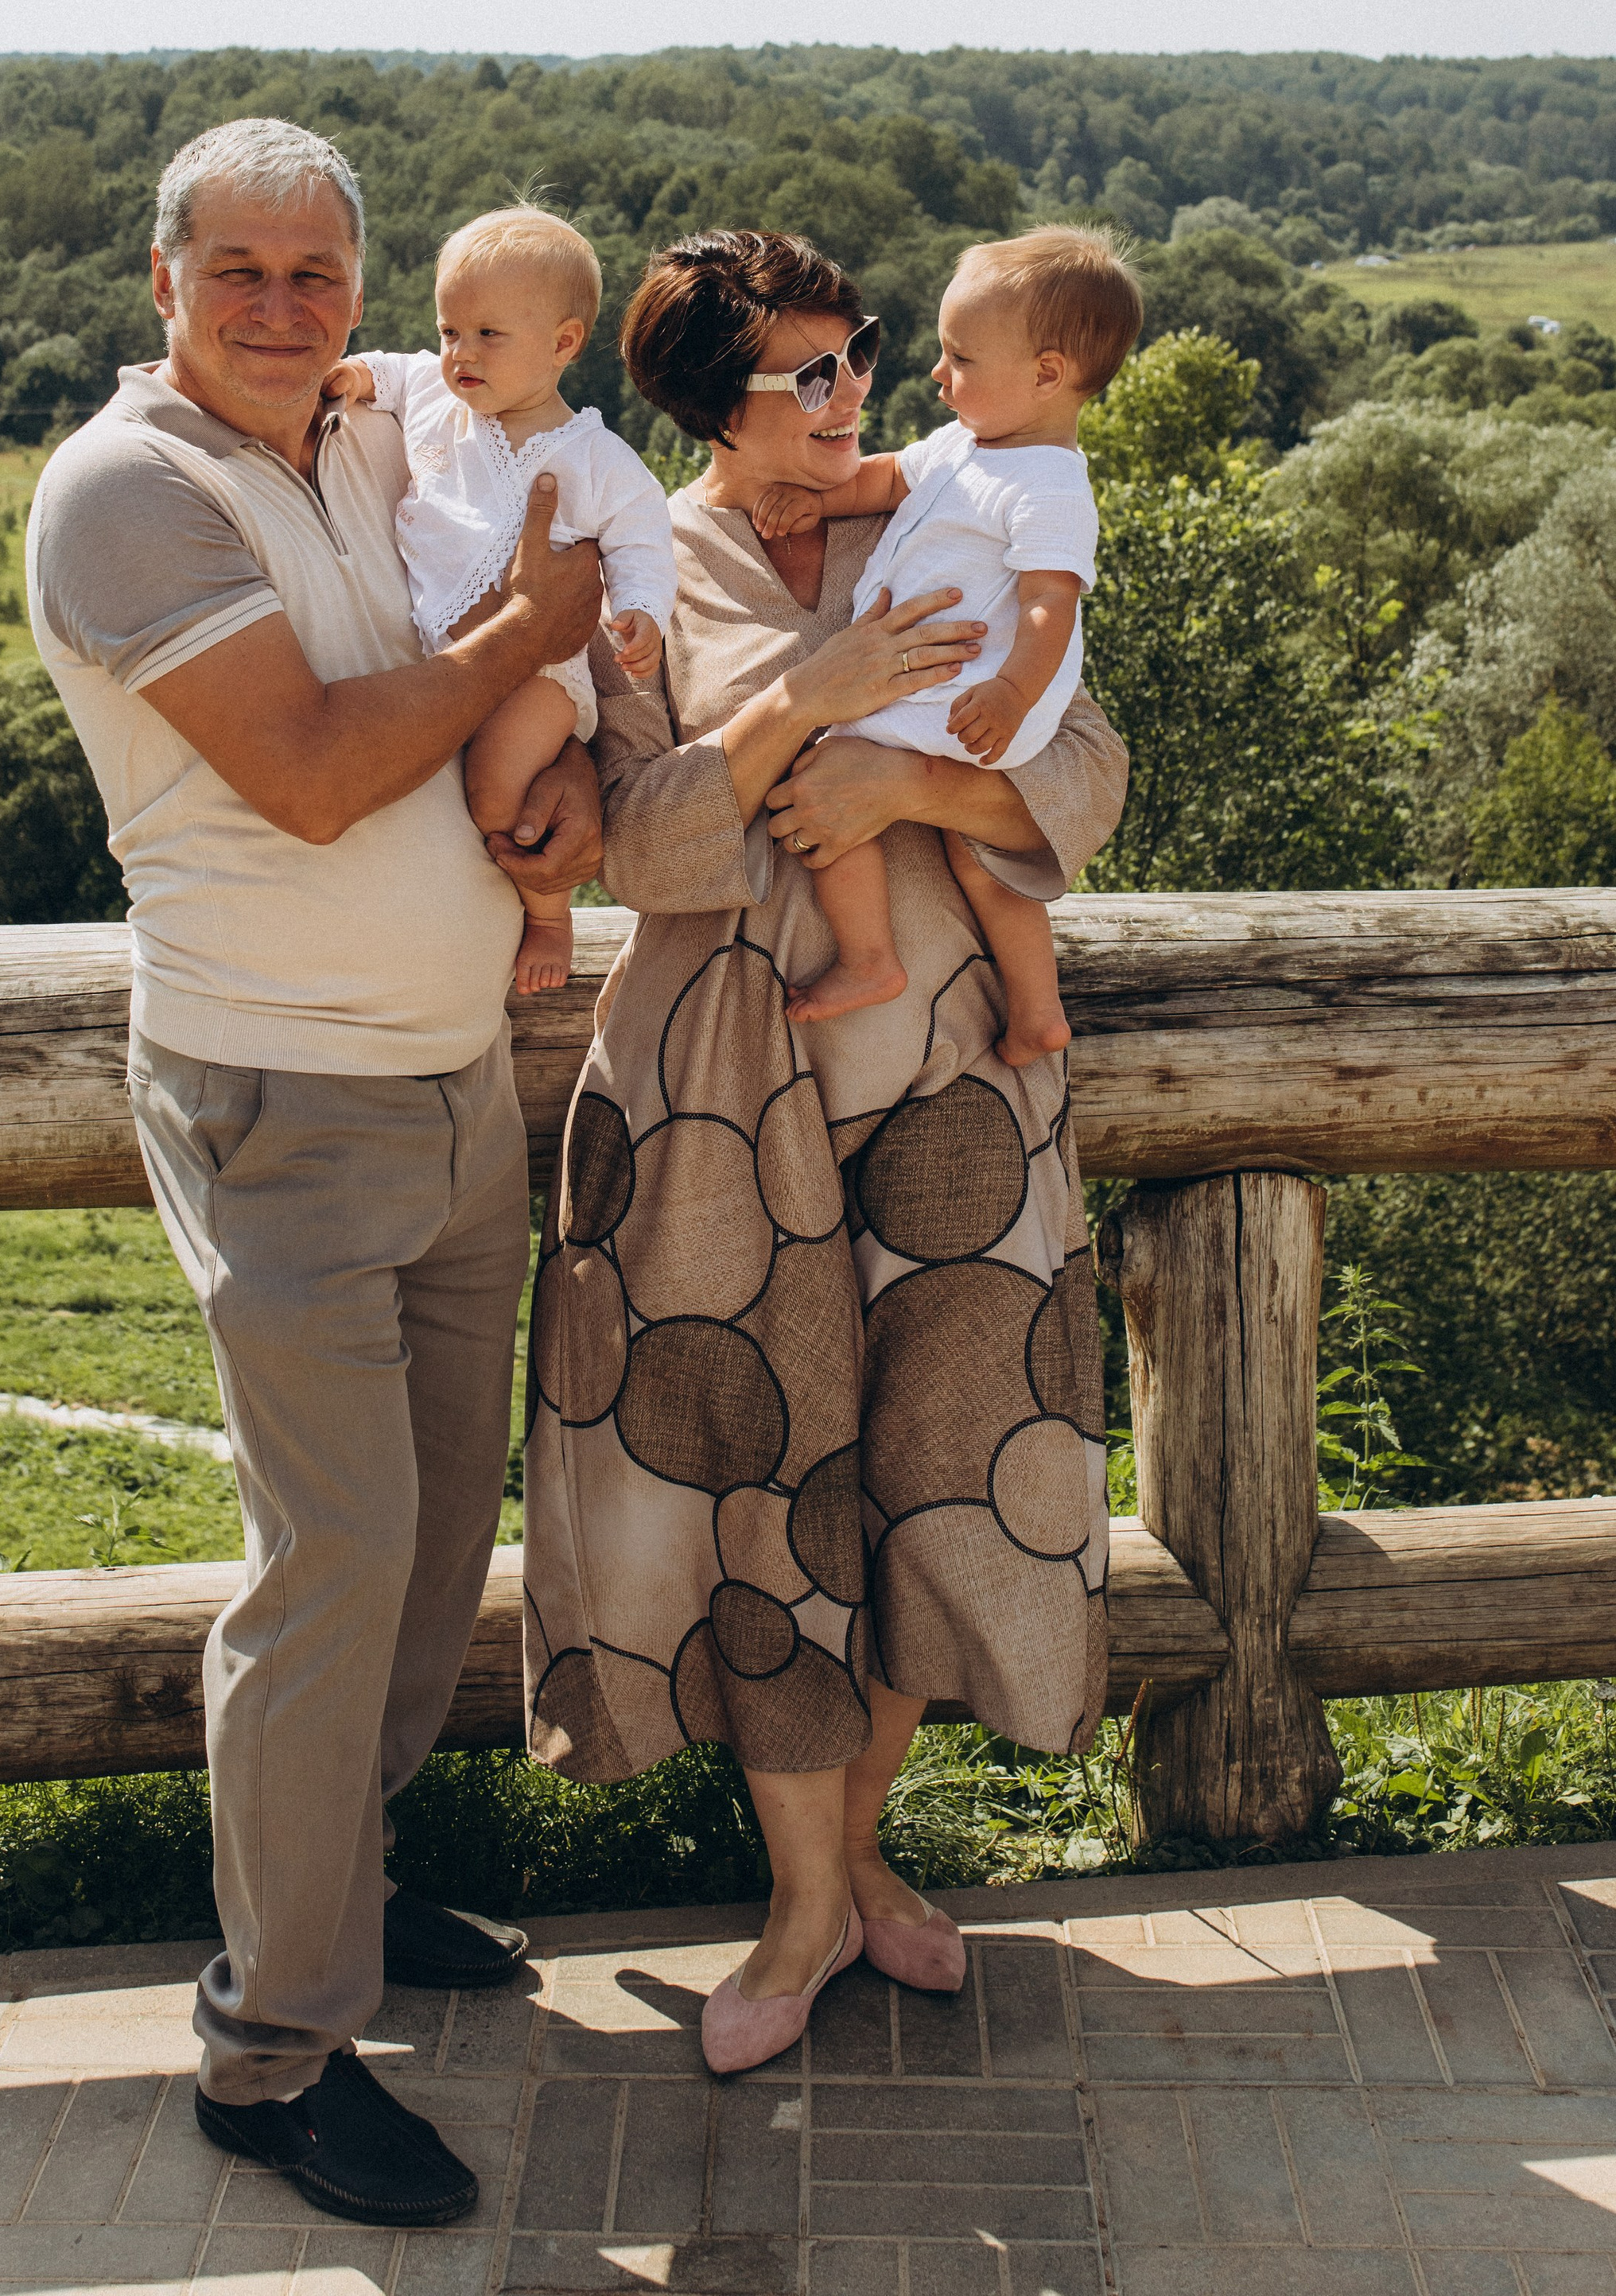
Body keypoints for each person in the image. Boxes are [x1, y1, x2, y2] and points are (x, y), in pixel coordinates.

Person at [27, 116, 604, 2228]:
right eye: (240, 271)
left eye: (318, 274)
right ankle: (272, 2050)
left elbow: (471, 698)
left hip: (454, 1080)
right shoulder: (126, 491)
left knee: (441, 1536)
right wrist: (533, 628)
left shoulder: (361, 431)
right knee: (332, 1564)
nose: (285, 309)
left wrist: (566, 808)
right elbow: (313, 769)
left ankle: (343, 1896)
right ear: (160, 281)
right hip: (278, 1102)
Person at [519, 227, 1128, 2077]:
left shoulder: (953, 499)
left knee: (935, 1469)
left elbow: (1082, 762)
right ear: (711, 400)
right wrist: (816, 690)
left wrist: (906, 781)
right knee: (762, 1492)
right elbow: (644, 836)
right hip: (724, 1097)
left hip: (953, 1089)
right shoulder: (649, 563)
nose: (850, 388)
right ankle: (801, 1899)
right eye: (806, 369)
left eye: (857, 351)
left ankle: (859, 1863)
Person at [755, 227, 1143, 1053]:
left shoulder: (1049, 484)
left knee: (826, 772)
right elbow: (889, 477)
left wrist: (1009, 694)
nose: (937, 375)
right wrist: (819, 502)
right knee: (983, 860)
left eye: (960, 359)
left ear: (1046, 375)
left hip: (966, 692)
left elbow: (1050, 605)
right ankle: (1039, 1013)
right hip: (958, 692)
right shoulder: (968, 446)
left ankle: (869, 959)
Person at [325, 205, 677, 990]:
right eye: (451, 331)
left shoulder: (595, 459)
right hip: (444, 659)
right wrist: (355, 377)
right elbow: (390, 369)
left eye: (489, 336)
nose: (459, 354)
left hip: (538, 678)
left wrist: (641, 609)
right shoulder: (434, 399)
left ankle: (548, 914)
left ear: (563, 343)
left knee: (493, 798)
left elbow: (642, 539)